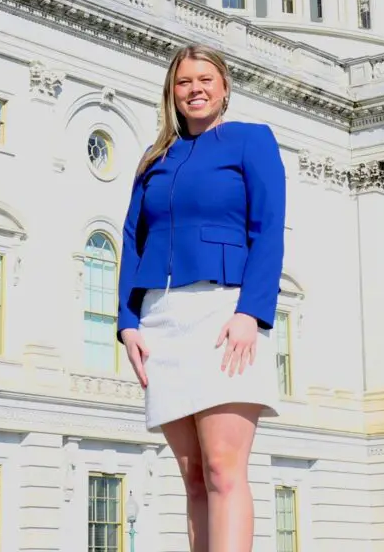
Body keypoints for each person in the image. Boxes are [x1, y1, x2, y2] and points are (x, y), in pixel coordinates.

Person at [118, 44, 286, 552]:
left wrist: (250, 312)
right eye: (184, 81)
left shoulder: (251, 141)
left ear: (225, 87)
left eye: (205, 79)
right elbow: (132, 239)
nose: (195, 89)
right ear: (171, 92)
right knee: (193, 478)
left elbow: (268, 229)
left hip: (223, 312)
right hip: (161, 320)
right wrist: (127, 322)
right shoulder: (155, 159)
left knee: (222, 468)